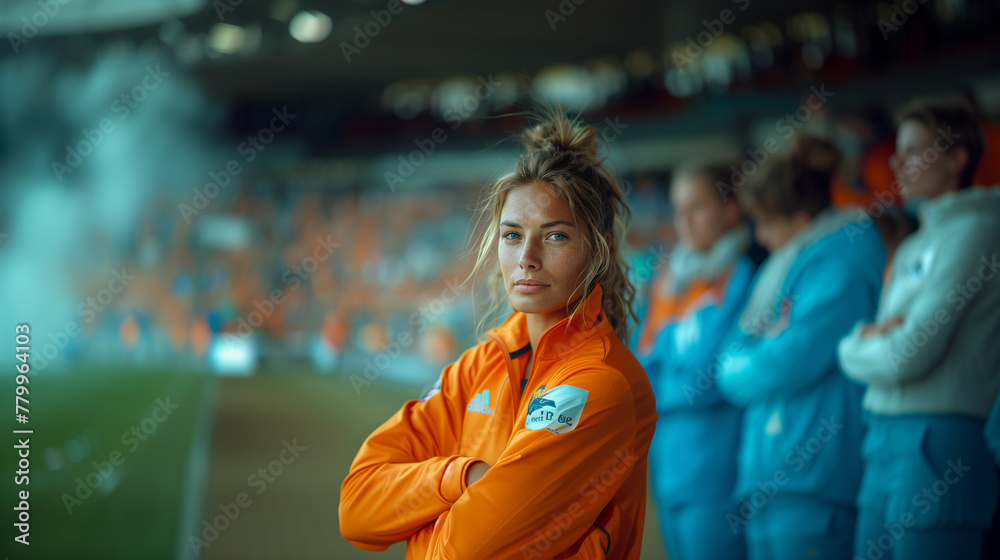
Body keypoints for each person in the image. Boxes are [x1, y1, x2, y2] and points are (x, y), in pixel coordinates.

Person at [339, 107, 658, 559]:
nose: (526, 257)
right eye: (512, 235)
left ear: (599, 249)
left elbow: (469, 552)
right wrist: (463, 477)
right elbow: (355, 509)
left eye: (556, 237)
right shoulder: (478, 365)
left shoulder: (599, 385)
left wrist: (421, 521)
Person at [837, 96, 1000, 560]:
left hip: (939, 445)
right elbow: (859, 344)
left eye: (913, 152)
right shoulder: (917, 241)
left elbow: (905, 354)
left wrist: (869, 342)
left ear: (957, 158)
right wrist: (863, 343)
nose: (896, 164)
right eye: (895, 153)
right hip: (885, 437)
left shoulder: (976, 232)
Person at [716, 134, 886, 560]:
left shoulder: (841, 262)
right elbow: (729, 359)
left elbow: (787, 361)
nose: (762, 236)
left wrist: (750, 359)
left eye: (768, 222)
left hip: (815, 479)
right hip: (771, 476)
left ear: (803, 218)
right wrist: (754, 355)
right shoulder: (785, 265)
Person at [637, 162, 766, 560]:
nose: (685, 222)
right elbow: (640, 371)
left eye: (697, 207)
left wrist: (664, 380)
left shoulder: (742, 276)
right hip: (669, 471)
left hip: (718, 471)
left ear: (731, 210)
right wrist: (671, 375)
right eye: (678, 210)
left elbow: (709, 378)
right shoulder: (667, 283)